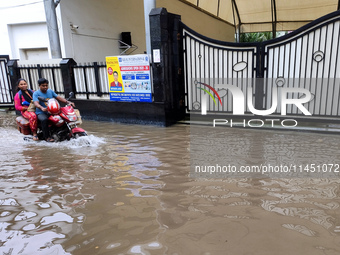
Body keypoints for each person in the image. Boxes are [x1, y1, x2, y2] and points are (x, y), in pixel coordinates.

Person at [33, 78, 75, 142]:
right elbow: (36, 103)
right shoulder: (36, 93)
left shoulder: (50, 91)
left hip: (53, 111)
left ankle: (65, 132)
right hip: (42, 112)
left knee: (63, 116)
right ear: (39, 86)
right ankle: (47, 137)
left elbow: (58, 98)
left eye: (46, 85)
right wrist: (42, 108)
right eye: (43, 86)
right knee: (44, 120)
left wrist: (68, 102)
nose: (45, 87)